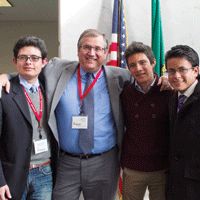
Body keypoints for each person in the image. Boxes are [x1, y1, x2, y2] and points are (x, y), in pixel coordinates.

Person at [0, 29, 169, 200]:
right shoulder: (57, 69)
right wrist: (6, 76)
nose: (92, 53)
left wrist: (165, 79)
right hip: (66, 163)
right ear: (78, 50)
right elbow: (30, 71)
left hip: (104, 163)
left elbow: (145, 81)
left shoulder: (121, 76)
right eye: (86, 47)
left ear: (105, 52)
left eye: (98, 48)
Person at [0, 36, 59, 200]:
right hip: (12, 175)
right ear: (15, 61)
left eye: (34, 58)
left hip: (45, 173)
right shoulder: (3, 93)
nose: (28, 62)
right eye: (23, 57)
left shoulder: (50, 89)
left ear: (44, 62)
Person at [120, 42, 174, 200]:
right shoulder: (125, 94)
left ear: (153, 62)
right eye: (132, 65)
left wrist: (168, 80)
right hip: (132, 168)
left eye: (142, 62)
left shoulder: (170, 92)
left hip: (162, 168)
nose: (138, 68)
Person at [165, 45, 200, 200]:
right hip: (176, 181)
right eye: (171, 71)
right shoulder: (174, 98)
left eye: (182, 69)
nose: (176, 76)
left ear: (195, 70)